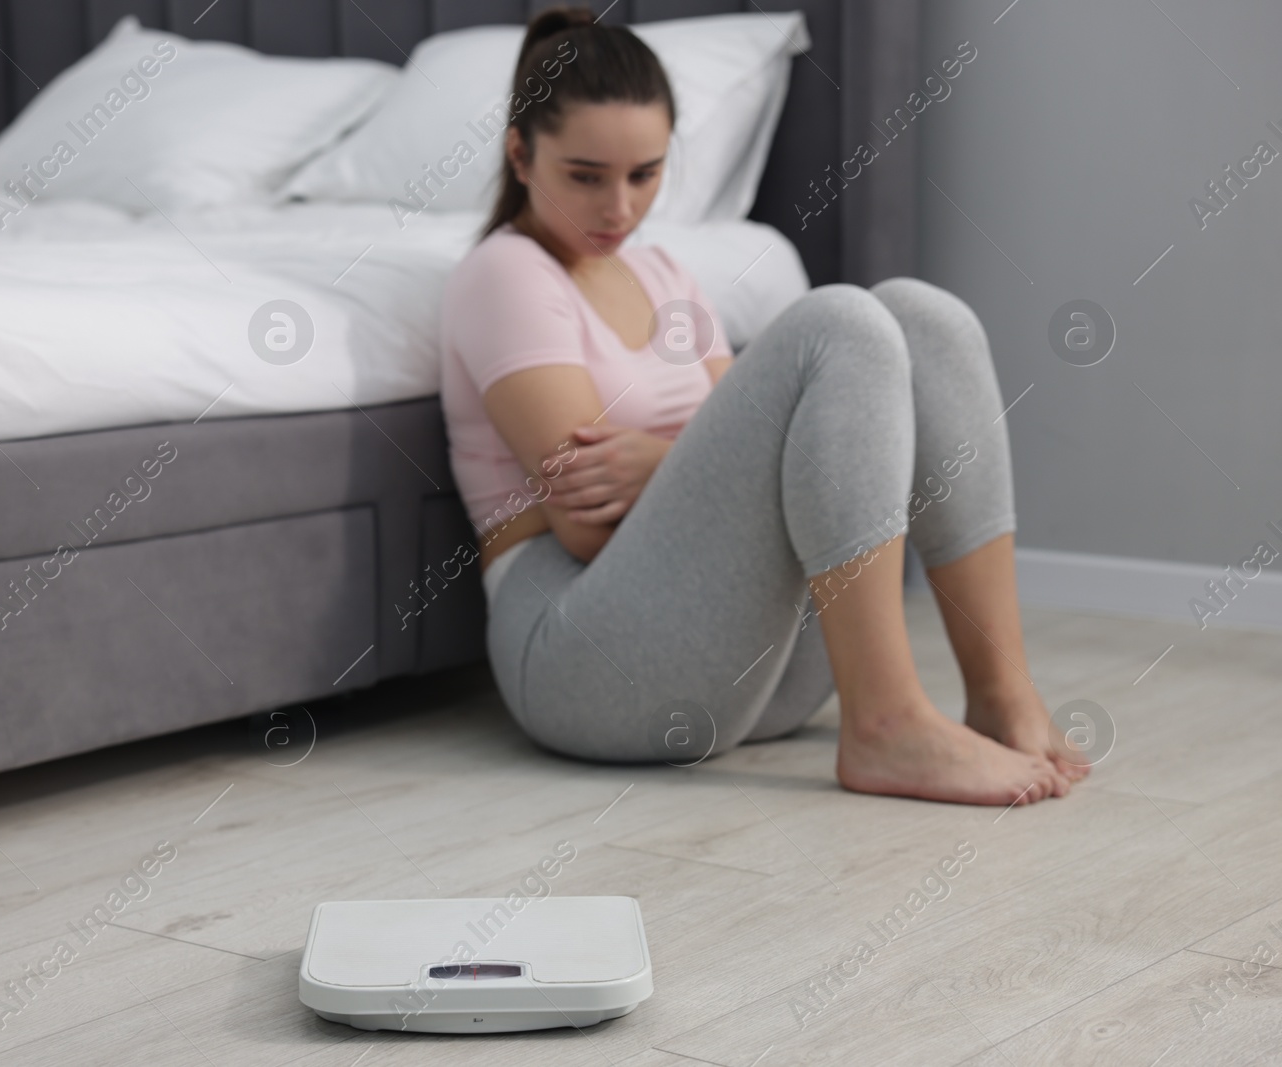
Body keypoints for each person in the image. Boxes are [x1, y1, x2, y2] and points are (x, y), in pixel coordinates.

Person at [438, 6, 1087, 806]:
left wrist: (659, 459)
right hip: (581, 659)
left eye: (644, 175)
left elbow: (751, 462)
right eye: (585, 176)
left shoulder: (664, 274)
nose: (618, 209)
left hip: (751, 671)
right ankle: (886, 723)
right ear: (520, 154)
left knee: (925, 317)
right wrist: (691, 458)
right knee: (837, 324)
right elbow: (587, 524)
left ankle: (1002, 696)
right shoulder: (506, 273)